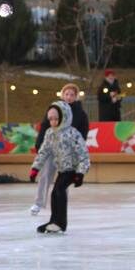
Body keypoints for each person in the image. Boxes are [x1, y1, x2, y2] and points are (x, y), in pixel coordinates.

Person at [30, 100, 90, 234]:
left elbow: (83, 154)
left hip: (73, 169)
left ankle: (60, 223)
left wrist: (80, 174)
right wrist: (35, 168)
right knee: (55, 193)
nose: (53, 122)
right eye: (50, 119)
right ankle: (54, 221)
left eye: (56, 119)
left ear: (64, 117)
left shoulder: (72, 133)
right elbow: (44, 151)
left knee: (59, 191)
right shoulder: (50, 133)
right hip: (62, 169)